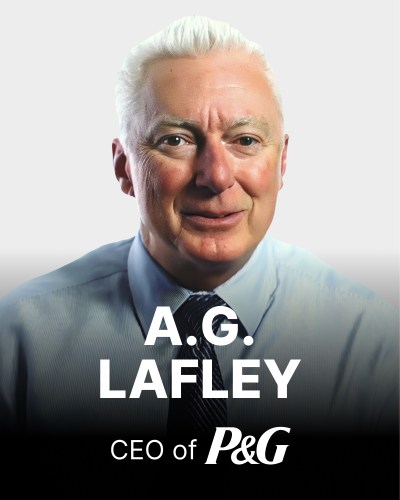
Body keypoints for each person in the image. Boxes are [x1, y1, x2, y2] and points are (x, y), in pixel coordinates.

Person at [0, 16, 398, 473]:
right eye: (177, 140)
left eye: (245, 140)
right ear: (125, 168)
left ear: (282, 161)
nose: (216, 177)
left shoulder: (372, 345)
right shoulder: (19, 341)